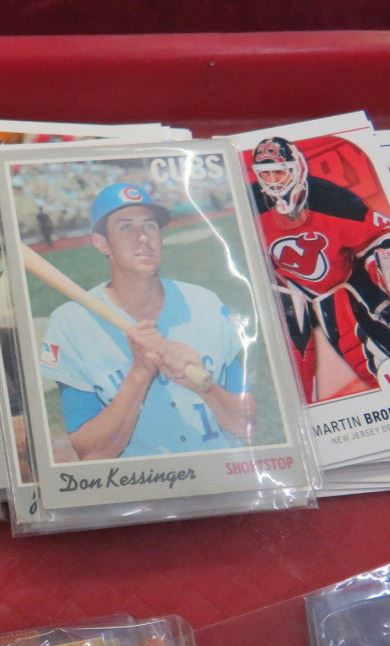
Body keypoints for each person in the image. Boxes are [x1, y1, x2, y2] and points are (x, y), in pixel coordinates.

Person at [40, 182, 255, 461]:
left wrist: (205, 387)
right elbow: (91, 452)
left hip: (219, 469)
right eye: (126, 227)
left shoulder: (206, 303)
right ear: (102, 243)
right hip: (142, 481)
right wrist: (140, 373)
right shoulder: (71, 323)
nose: (142, 237)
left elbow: (246, 426)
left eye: (149, 226)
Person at [249, 136, 390, 401]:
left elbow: (379, 238)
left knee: (369, 352)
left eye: (279, 171)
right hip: (289, 289)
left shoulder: (331, 199)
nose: (273, 181)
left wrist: (379, 270)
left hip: (344, 285)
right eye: (265, 173)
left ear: (297, 168)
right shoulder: (250, 205)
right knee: (289, 369)